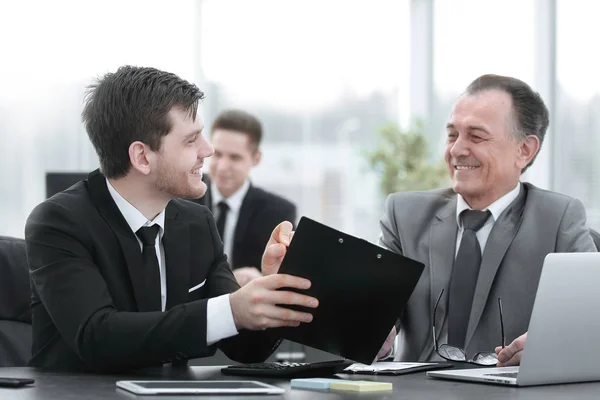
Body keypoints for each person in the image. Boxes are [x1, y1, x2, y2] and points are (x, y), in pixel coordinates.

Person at [24, 66, 318, 372]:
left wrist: (273, 292)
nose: (208, 150)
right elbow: (98, 337)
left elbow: (244, 347)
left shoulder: (196, 223)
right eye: (191, 140)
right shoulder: (58, 223)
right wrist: (231, 309)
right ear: (142, 157)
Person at [377, 74, 596, 366]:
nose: (456, 150)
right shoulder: (404, 214)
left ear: (525, 150)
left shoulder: (558, 219)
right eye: (452, 135)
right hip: (418, 391)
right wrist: (368, 334)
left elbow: (592, 319)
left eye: (476, 136)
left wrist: (551, 346)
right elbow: (374, 315)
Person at [192, 110, 296, 287]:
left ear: (256, 158)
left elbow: (283, 275)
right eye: (217, 154)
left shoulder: (278, 212)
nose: (223, 166)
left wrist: (263, 275)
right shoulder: (182, 197)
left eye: (235, 157)